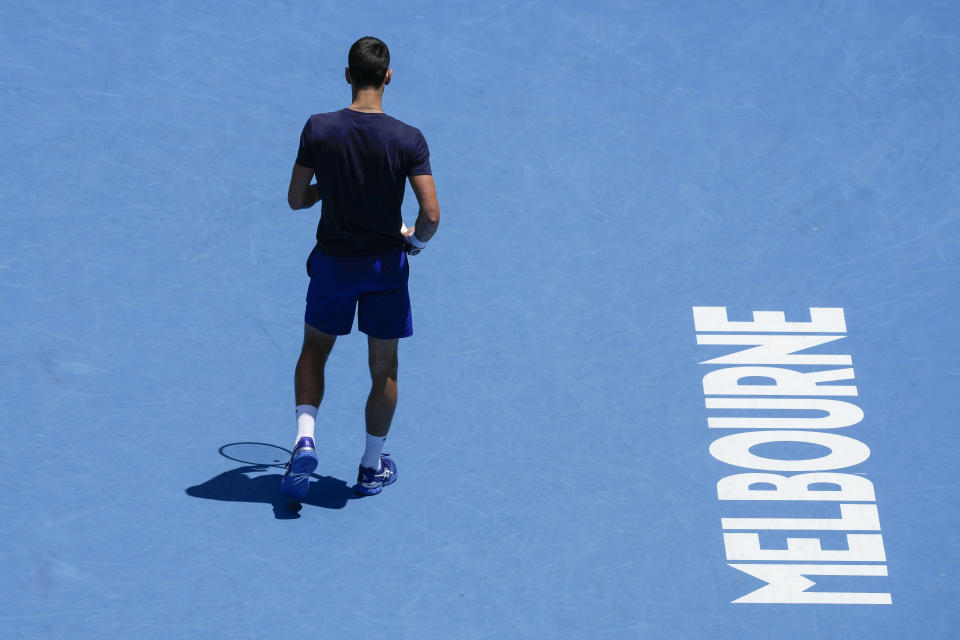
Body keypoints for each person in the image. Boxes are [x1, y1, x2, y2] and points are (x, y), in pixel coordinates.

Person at [280, 36, 440, 499]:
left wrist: (327, 189)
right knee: (384, 368)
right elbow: (430, 216)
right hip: (384, 270)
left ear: (348, 75)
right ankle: (371, 468)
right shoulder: (409, 139)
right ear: (387, 76)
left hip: (332, 266)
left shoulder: (319, 129)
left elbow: (296, 199)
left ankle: (305, 436)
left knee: (314, 350)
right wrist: (414, 243)